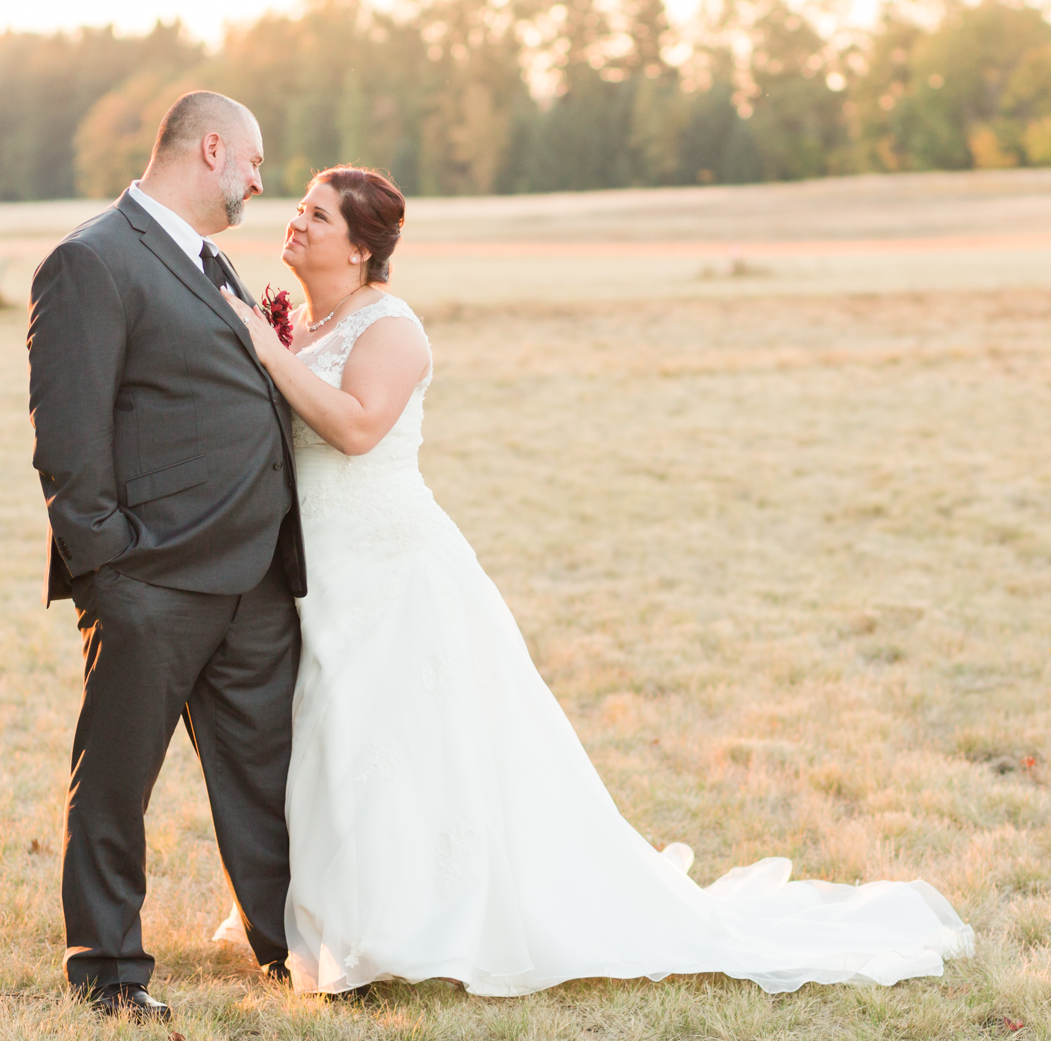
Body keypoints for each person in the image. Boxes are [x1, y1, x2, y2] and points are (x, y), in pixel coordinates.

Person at [217, 163, 974, 996]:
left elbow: (358, 429)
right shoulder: (313, 328)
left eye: (318, 217)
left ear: (361, 249)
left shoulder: (391, 329)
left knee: (389, 738)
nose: (296, 223)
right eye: (298, 209)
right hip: (324, 570)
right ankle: (355, 922)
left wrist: (263, 348)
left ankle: (416, 931)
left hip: (391, 566)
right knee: (338, 737)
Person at [26, 91, 305, 1023]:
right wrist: (114, 569)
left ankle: (286, 949)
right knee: (115, 779)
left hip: (253, 578)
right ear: (213, 148)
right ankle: (108, 969)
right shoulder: (92, 259)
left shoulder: (210, 257)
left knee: (269, 774)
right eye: (255, 162)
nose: (263, 181)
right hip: (153, 581)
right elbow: (68, 438)